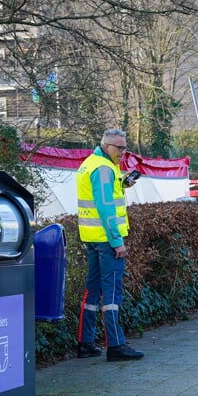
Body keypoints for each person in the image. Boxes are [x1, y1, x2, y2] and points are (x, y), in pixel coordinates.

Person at [76, 128, 143, 360]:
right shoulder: (104, 168)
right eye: (119, 148)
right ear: (106, 146)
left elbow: (100, 197)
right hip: (106, 240)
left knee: (92, 290)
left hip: (91, 237)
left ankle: (85, 343)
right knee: (112, 292)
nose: (123, 152)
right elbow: (105, 207)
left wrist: (122, 184)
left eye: (125, 147)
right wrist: (117, 241)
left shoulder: (92, 163)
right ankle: (115, 345)